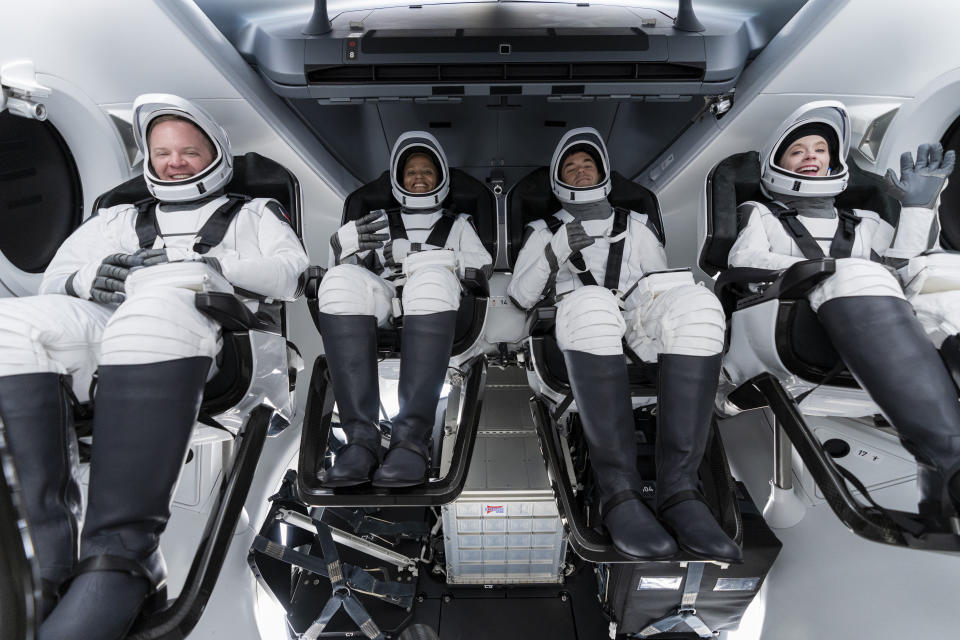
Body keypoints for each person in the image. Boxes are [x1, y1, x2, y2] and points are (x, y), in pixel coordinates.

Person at [0, 93, 309, 639]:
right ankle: (48, 560)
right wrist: (92, 277)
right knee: (14, 325)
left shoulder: (254, 213)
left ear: (217, 153)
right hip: (112, 325)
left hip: (219, 333)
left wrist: (203, 263)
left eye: (189, 150)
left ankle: (124, 560)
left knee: (163, 292)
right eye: (163, 152)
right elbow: (55, 279)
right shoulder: (117, 217)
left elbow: (289, 272)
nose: (175, 163)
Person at [507, 127, 741, 562]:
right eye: (570, 167)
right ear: (559, 179)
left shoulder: (635, 227)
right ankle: (619, 494)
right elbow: (520, 296)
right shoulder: (543, 230)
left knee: (696, 302)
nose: (580, 172)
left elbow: (659, 286)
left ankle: (680, 492)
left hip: (636, 323)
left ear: (603, 172)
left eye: (587, 164)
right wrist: (553, 254)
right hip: (578, 323)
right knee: (592, 299)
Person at [728, 100, 960, 518]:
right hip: (788, 318)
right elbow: (744, 261)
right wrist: (830, 268)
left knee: (943, 271)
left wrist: (917, 208)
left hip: (882, 318)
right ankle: (948, 459)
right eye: (798, 151)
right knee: (861, 274)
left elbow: (904, 268)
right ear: (776, 167)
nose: (811, 156)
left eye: (820, 149)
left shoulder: (866, 221)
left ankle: (946, 472)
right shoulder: (761, 213)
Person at [316, 131, 492, 488]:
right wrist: (337, 247)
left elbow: (480, 266)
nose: (419, 177)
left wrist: (421, 258)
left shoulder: (457, 225)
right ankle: (360, 443)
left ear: (440, 178)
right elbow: (347, 267)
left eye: (427, 171)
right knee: (337, 281)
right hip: (383, 296)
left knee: (430, 278)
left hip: (434, 300)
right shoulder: (377, 220)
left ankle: (411, 442)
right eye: (411, 171)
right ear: (398, 179)